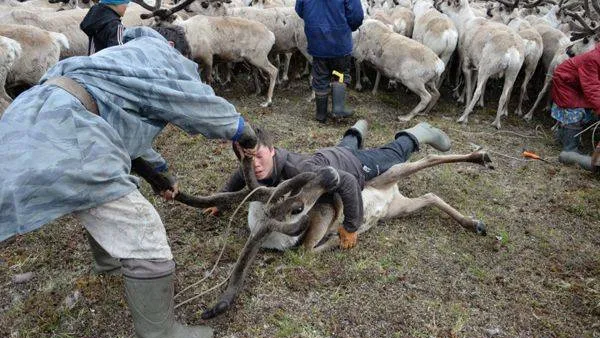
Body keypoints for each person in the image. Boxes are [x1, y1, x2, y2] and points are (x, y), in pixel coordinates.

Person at [0, 26, 258, 338]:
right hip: (74, 132)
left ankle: (109, 261)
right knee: (141, 227)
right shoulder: (162, 53)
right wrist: (243, 132)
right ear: (174, 45)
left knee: (96, 189)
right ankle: (160, 333)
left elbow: (118, 127)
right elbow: (198, 103)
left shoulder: (113, 57)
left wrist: (158, 175)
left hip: (25, 119)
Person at [205, 120, 451, 249]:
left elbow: (348, 182)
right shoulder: (251, 167)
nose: (254, 165)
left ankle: (418, 133)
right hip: (329, 156)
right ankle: (356, 131)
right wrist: (221, 200)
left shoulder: (299, 172)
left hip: (352, 165)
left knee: (392, 155)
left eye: (259, 156)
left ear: (271, 149)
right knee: (342, 147)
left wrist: (351, 226)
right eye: (247, 159)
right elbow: (238, 177)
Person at [295, 0, 364, 123]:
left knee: (321, 75)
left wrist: (313, 21)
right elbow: (356, 15)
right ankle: (338, 108)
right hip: (339, 40)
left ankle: (321, 114)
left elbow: (299, 9)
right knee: (340, 73)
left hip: (316, 40)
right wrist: (349, 26)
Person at [550, 40, 600, 162]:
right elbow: (592, 87)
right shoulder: (593, 59)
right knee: (575, 112)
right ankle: (570, 149)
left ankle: (562, 135)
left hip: (580, 85)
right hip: (567, 84)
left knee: (588, 112)